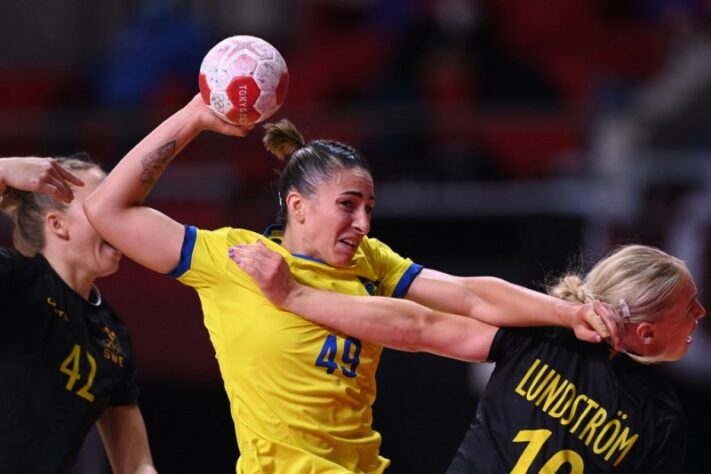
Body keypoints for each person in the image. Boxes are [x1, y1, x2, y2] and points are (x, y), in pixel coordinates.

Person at [83, 94, 613, 473]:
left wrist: (566, 312)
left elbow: (469, 293)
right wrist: (197, 115)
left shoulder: (370, 260)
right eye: (347, 206)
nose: (363, 223)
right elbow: (107, 209)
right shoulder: (232, 258)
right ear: (298, 206)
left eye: (368, 208)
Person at [230, 241, 704, 472]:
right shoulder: (660, 419)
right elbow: (424, 323)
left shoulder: (542, 335)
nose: (701, 313)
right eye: (690, 306)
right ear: (645, 333)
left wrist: (295, 297)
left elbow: (419, 328)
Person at [0, 155, 157, 474]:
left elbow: (136, 465)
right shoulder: (13, 278)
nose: (116, 217)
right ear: (58, 224)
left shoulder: (113, 336)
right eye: (100, 205)